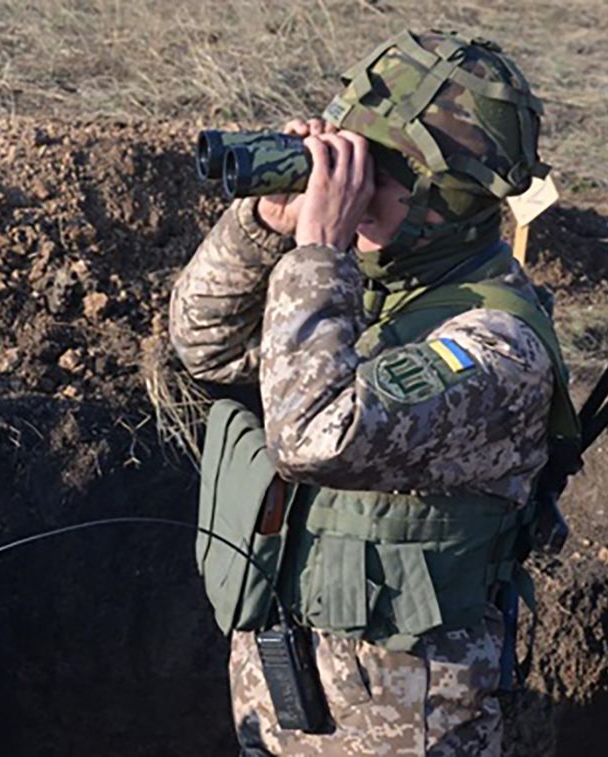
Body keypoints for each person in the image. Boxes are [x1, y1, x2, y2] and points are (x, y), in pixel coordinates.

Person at [169, 29, 573, 756]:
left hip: (401, 733)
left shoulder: (494, 346)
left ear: (443, 197)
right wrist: (266, 227)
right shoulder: (362, 291)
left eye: (374, 171)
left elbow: (314, 435)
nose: (346, 182)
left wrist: (320, 253)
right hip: (285, 705)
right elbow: (203, 342)